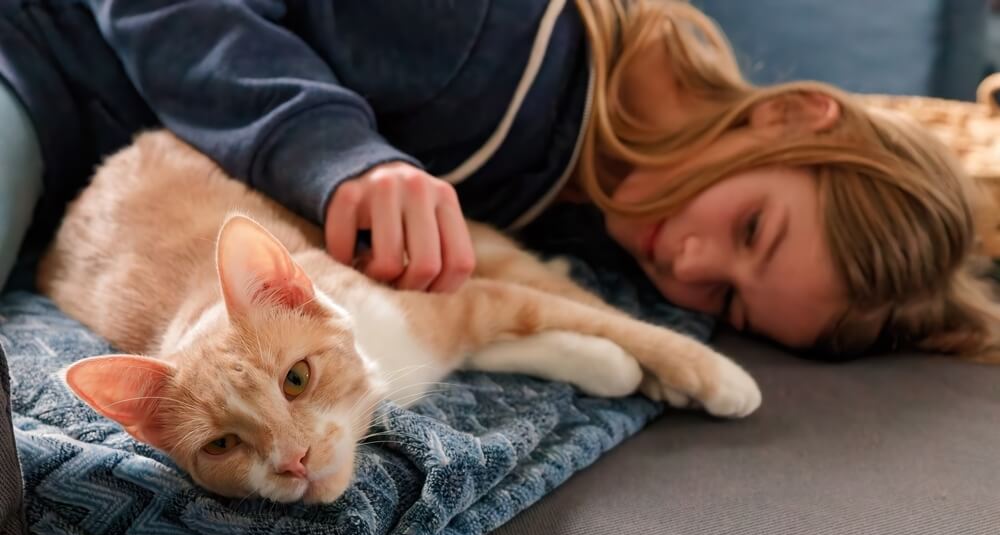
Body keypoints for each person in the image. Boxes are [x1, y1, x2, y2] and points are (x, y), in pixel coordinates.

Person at [0, 0, 998, 359]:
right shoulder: (493, 33)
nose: (687, 263)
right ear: (789, 114)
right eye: (750, 230)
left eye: (728, 303)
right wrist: (333, 150)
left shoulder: (575, 196)